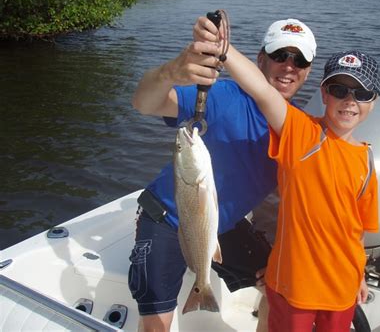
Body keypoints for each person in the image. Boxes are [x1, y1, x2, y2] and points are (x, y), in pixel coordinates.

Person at [128, 17, 317, 332]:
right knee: (156, 324)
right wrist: (170, 72)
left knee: (279, 290)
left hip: (220, 225)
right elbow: (144, 103)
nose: (288, 66)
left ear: (308, 70)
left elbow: (305, 206)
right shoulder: (223, 95)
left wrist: (284, 257)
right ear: (260, 59)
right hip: (167, 220)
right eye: (279, 56)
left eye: (299, 60)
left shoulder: (299, 130)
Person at [220, 43, 380, 331]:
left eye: (362, 93)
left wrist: (360, 276)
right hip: (293, 288)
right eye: (339, 90)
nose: (350, 101)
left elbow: (358, 231)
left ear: (374, 101)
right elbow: (263, 91)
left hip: (342, 289)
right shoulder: (301, 132)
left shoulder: (368, 161)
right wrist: (223, 48)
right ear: (324, 95)